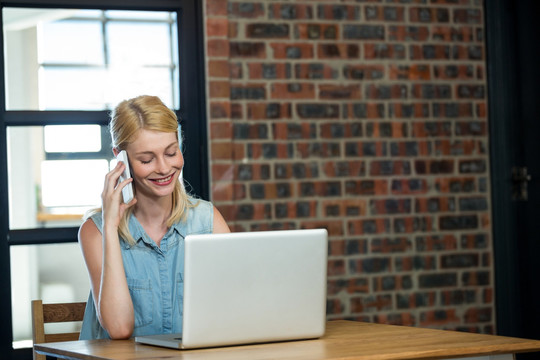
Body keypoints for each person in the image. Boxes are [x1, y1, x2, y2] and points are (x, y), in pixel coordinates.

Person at [78, 95, 230, 340]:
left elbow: (233, 310)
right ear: (120, 158)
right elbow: (119, 328)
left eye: (171, 153)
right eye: (147, 159)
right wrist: (110, 225)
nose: (163, 168)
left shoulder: (208, 220)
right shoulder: (95, 230)